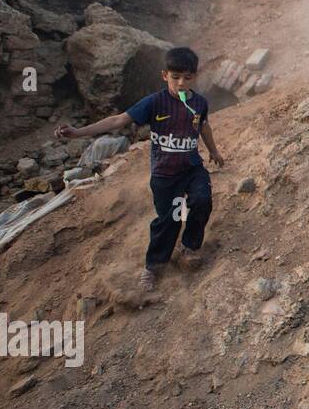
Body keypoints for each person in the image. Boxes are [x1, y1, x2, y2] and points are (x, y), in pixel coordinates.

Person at [55, 46, 224, 291]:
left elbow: (204, 126)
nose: (181, 83)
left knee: (202, 200)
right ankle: (153, 267)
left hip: (192, 168)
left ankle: (190, 247)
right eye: (175, 77)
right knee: (170, 220)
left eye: (187, 78)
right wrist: (77, 132)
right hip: (165, 175)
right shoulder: (154, 103)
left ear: (194, 77)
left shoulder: (199, 103)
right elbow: (117, 120)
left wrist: (214, 150)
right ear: (164, 75)